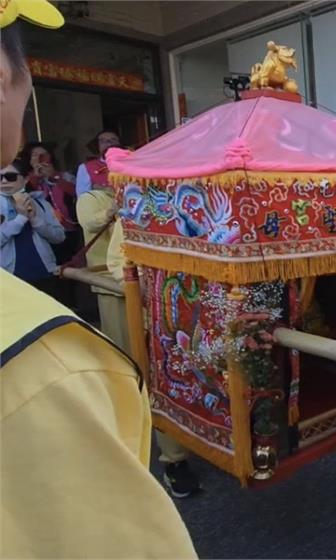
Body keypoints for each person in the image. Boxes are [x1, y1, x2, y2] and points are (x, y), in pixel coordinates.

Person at [0, 1, 196, 557]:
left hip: (149, 296)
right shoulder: (93, 198)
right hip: (115, 296)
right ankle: (172, 463)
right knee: (137, 373)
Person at [107, 219, 202, 498]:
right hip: (162, 314)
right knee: (167, 385)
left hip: (204, 314)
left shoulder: (200, 208)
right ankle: (175, 460)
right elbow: (117, 263)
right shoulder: (134, 213)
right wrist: (152, 288)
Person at [19, 141, 80, 307]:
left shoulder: (63, 175)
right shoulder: (21, 179)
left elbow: (76, 192)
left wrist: (53, 177)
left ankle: (71, 305)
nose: (41, 159)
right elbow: (23, 196)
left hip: (66, 230)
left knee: (68, 271)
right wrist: (34, 178)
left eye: (44, 155)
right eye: (35, 156)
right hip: (42, 233)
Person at [1, 158, 64, 296]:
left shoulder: (40, 203)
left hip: (44, 273)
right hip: (8, 278)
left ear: (25, 179)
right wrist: (20, 219)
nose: (4, 181)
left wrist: (36, 220)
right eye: (0, 177)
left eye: (10, 177)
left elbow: (59, 236)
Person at [76, 165, 123, 345]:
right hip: (107, 276)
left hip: (138, 275)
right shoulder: (91, 197)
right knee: (120, 336)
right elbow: (89, 223)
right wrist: (111, 211)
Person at [75, 129, 120, 196]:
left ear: (119, 144)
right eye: (102, 141)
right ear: (97, 146)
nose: (108, 143)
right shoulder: (86, 167)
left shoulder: (130, 164)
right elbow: (83, 197)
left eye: (113, 140)